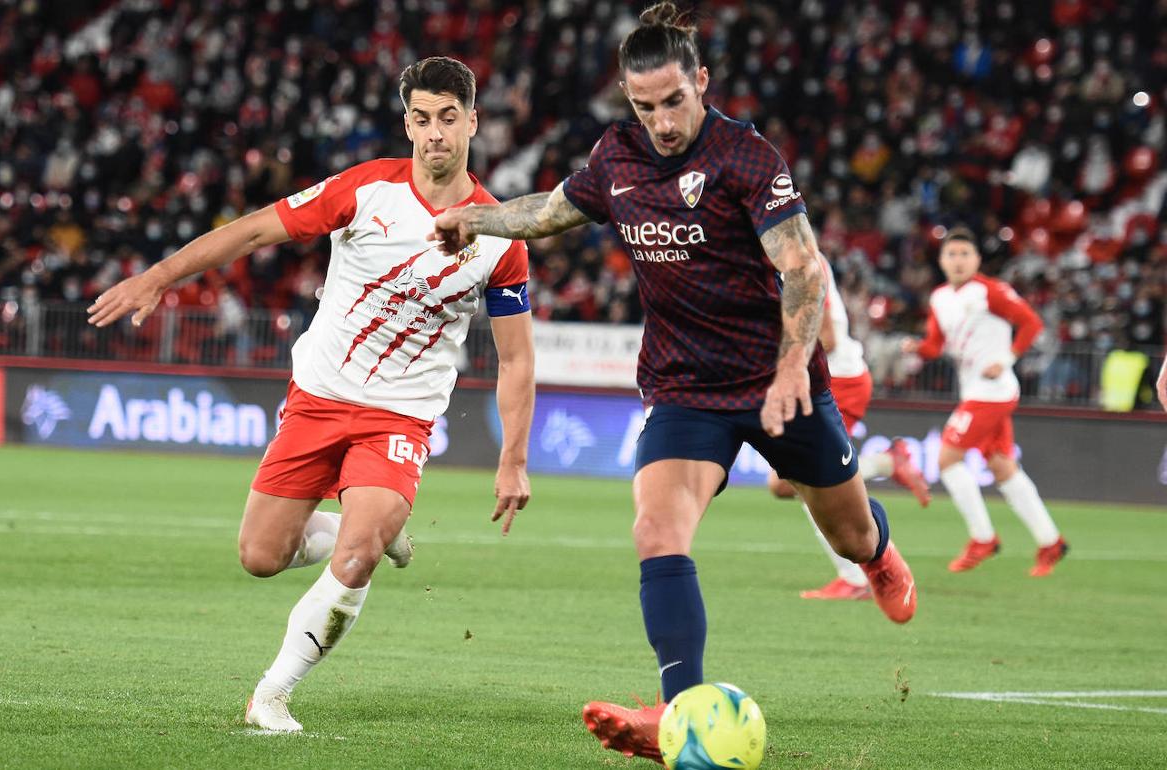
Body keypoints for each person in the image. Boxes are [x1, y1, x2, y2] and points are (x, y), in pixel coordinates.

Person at [430, 4, 916, 763]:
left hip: (777, 382)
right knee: (656, 530)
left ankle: (881, 555)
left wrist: (793, 367)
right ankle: (678, 708)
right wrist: (476, 220)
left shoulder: (747, 157)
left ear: (702, 82)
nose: (659, 120)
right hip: (684, 387)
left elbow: (800, 267)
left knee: (849, 532)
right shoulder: (617, 158)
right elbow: (551, 213)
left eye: (673, 101)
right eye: (643, 105)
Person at [87, 57, 536, 733]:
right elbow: (253, 230)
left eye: (449, 118)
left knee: (356, 558)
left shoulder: (501, 233)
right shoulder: (365, 191)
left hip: (401, 416)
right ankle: (359, 528)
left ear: (473, 121)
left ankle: (271, 692)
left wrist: (514, 459)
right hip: (319, 397)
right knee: (261, 558)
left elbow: (517, 358)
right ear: (407, 123)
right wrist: (160, 277)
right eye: (422, 119)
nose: (435, 134)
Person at [902, 226, 1067, 577]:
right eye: (952, 254)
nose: (958, 260)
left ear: (977, 260)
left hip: (992, 391)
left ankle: (983, 538)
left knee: (947, 459)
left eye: (965, 254)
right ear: (942, 260)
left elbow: (1031, 324)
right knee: (1002, 467)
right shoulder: (940, 298)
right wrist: (918, 347)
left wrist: (1006, 359)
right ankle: (1050, 541)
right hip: (975, 390)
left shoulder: (991, 292)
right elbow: (935, 344)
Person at [767, 254, 931, 602]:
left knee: (797, 477)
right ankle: (887, 464)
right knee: (786, 484)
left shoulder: (801, 257)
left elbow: (827, 337)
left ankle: (855, 579)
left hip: (835, 378)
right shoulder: (775, 253)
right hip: (825, 378)